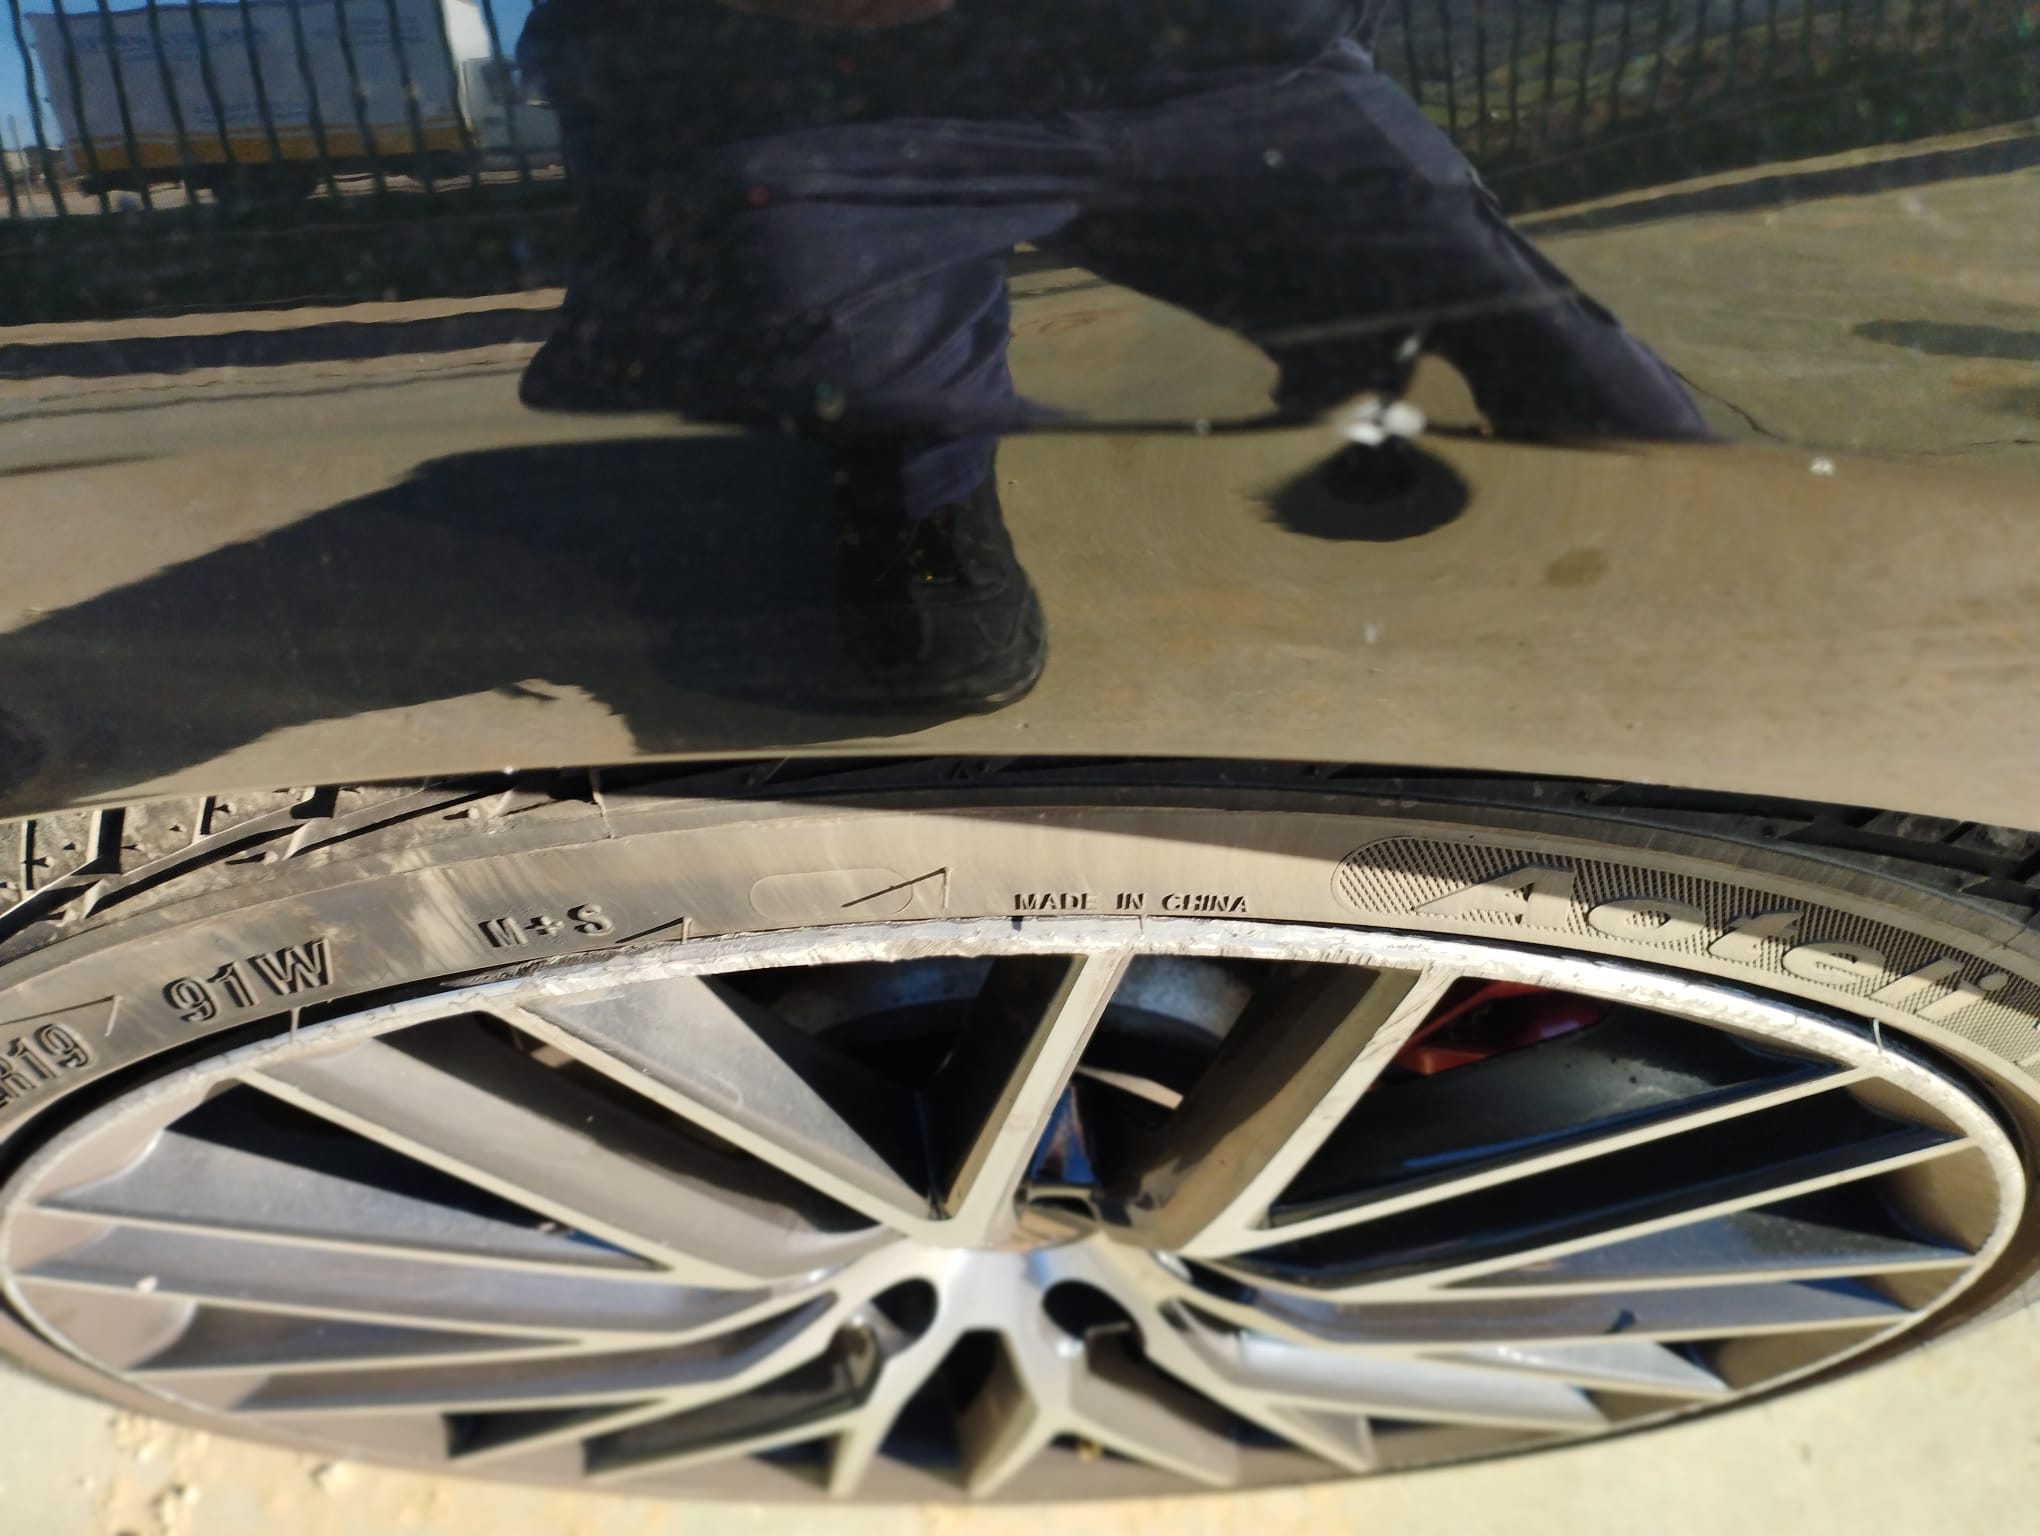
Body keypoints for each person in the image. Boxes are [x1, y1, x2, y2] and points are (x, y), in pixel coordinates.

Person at [518, 0, 1708, 710]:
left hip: (1226, 64)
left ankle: (1395, 396)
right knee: (921, 618)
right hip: (839, 114)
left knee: (1615, 411)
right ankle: (921, 518)